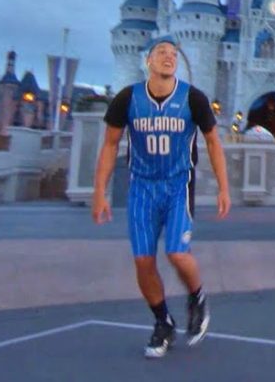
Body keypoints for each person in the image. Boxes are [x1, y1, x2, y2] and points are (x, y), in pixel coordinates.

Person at [91, 35, 231, 358]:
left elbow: (213, 142)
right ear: (148, 60)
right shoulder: (128, 99)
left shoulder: (193, 98)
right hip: (141, 186)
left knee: (177, 253)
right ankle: (162, 321)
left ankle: (197, 297)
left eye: (173, 54)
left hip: (178, 184)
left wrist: (224, 187)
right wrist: (99, 192)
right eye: (162, 52)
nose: (169, 57)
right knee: (143, 260)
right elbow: (110, 145)